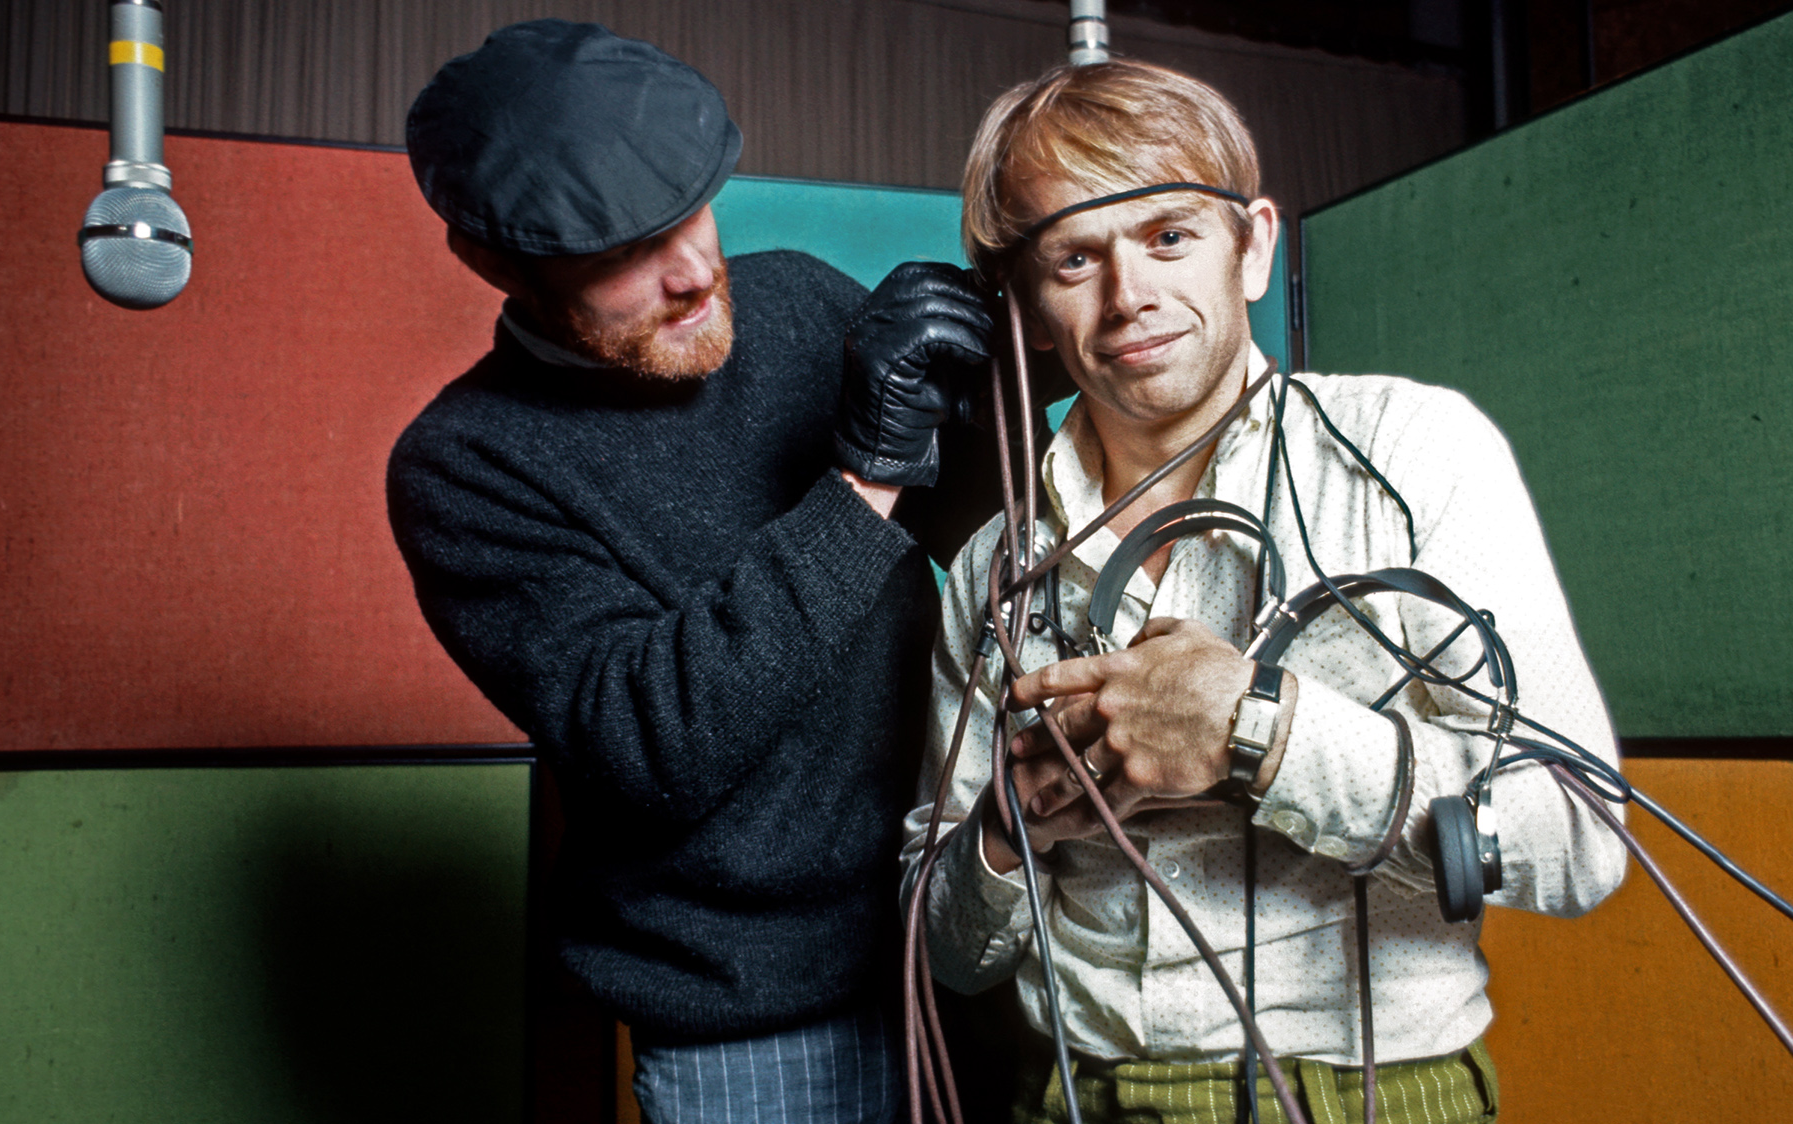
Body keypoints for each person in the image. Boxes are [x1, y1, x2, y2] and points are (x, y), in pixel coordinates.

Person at [902, 60, 1626, 1124]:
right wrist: (1015, 827)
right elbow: (947, 951)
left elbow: (1575, 833)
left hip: (1370, 1093)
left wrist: (1258, 735)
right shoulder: (993, 567)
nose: (1127, 296)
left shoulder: (1412, 453)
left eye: (1166, 237)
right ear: (1024, 307)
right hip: (1070, 1095)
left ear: (1252, 246)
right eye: (1073, 256)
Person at [387, 21, 993, 1124]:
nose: (690, 271)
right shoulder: (466, 466)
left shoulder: (804, 299)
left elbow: (999, 544)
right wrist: (861, 480)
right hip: (754, 1019)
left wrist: (1010, 356)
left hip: (967, 932)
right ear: (494, 263)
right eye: (621, 251)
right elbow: (651, 745)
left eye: (689, 211)